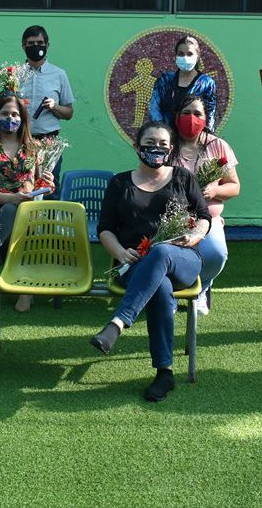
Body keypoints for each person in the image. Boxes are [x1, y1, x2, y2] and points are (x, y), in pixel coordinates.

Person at [91, 120, 212, 402]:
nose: (156, 149)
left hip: (183, 259)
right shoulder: (119, 183)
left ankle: (118, 323)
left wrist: (194, 237)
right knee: (159, 287)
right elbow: (105, 229)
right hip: (133, 264)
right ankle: (164, 373)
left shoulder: (183, 178)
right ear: (137, 146)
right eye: (149, 144)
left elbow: (204, 217)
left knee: (160, 253)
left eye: (162, 145)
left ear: (171, 150)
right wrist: (120, 252)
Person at [0, 92, 55, 312]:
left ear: (23, 117)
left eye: (15, 114)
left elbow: (39, 184)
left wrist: (47, 181)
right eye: (5, 113)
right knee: (10, 210)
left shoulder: (35, 148)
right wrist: (12, 198)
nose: (10, 118)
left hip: (29, 209)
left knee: (21, 213)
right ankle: (23, 287)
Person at [171, 95, 240, 316]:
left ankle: (204, 287)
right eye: (185, 113)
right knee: (168, 254)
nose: (191, 119)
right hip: (172, 218)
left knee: (216, 253)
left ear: (206, 118)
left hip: (207, 219)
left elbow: (234, 187)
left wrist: (215, 191)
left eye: (197, 113)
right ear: (175, 117)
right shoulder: (167, 144)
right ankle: (170, 292)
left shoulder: (217, 146)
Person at [19, 25, 74, 200]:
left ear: (47, 45)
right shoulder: (15, 74)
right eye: (31, 43)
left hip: (49, 142)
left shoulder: (59, 74)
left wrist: (55, 107)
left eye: (40, 43)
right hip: (20, 140)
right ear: (23, 46)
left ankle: (50, 227)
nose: (36, 46)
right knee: (21, 187)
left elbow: (69, 112)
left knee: (49, 188)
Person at [149, 35, 217, 132]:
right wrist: (162, 131)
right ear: (176, 56)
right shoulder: (165, 80)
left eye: (190, 54)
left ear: (197, 57)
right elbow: (154, 108)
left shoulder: (207, 83)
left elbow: (210, 113)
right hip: (167, 136)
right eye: (181, 54)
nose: (185, 57)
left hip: (194, 138)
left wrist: (206, 136)